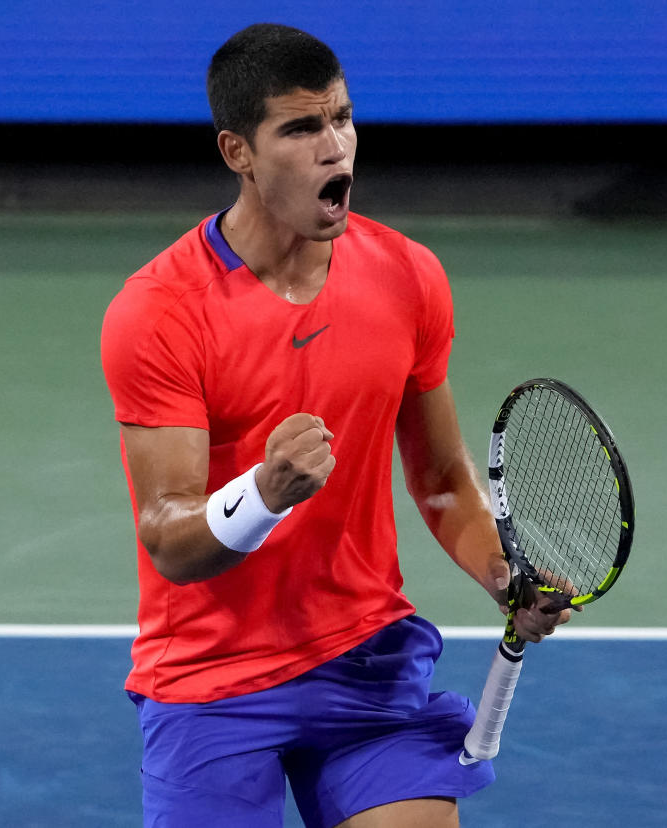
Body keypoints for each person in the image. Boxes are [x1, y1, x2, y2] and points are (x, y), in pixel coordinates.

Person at [100, 23, 572, 828]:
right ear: (237, 151)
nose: (335, 147)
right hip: (212, 679)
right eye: (301, 127)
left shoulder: (408, 276)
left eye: (342, 119)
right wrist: (262, 492)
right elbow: (171, 542)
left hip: (363, 661)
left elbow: (438, 480)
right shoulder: (160, 313)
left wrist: (503, 575)